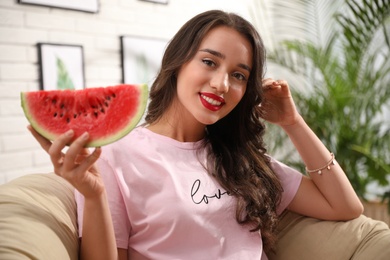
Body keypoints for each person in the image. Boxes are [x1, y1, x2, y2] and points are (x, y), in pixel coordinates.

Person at [29, 9, 363, 260]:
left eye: (238, 75)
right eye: (209, 62)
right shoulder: (116, 156)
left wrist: (292, 122)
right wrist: (93, 196)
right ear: (178, 63)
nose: (221, 84)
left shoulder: (242, 158)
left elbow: (345, 207)